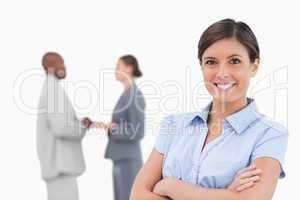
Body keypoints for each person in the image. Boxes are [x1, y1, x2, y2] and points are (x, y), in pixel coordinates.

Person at [130, 19, 288, 200]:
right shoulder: (173, 124)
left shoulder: (270, 134)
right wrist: (226, 194)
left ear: (254, 66)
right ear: (201, 66)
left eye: (234, 61)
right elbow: (137, 195)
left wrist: (171, 187)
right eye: (211, 62)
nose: (222, 73)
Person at [36, 52, 92, 200]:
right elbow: (60, 127)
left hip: (60, 166)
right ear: (50, 67)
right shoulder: (52, 90)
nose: (64, 67)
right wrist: (82, 127)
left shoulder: (52, 88)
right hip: (60, 166)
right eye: (60, 63)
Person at [93, 55, 146, 200]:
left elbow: (138, 131)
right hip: (121, 157)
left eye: (118, 67)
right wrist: (109, 127)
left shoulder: (135, 95)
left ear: (129, 69)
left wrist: (113, 128)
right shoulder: (127, 94)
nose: (115, 70)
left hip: (128, 159)